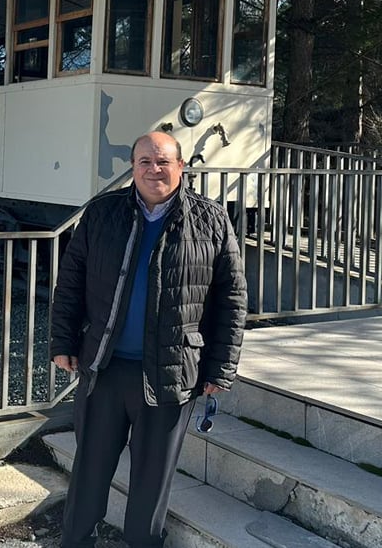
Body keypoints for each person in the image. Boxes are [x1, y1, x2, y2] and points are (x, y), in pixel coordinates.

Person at [50, 130, 247, 548]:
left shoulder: (211, 220)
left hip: (171, 375)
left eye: (163, 162)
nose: (153, 169)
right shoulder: (103, 214)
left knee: (151, 484)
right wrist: (62, 341)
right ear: (133, 167)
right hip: (104, 369)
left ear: (180, 167)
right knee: (89, 475)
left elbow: (232, 298)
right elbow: (70, 282)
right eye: (144, 162)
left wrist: (220, 368)